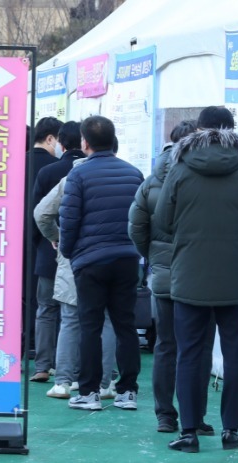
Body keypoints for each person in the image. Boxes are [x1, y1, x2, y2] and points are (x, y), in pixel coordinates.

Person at [155, 106, 238, 453]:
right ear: (233, 130)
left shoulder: (179, 170)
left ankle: (189, 431)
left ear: (198, 130)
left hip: (189, 274)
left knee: (188, 353)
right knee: (234, 354)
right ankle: (231, 431)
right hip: (235, 274)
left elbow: (163, 220)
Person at [130, 119, 215, 436]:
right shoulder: (208, 179)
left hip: (165, 276)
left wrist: (155, 258)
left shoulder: (152, 182)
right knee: (200, 347)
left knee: (166, 346)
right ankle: (197, 416)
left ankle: (165, 415)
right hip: (203, 276)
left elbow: (136, 228)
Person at [59, 115, 143, 412]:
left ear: (85, 142)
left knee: (90, 326)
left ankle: (89, 392)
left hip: (90, 261)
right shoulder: (134, 173)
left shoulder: (79, 175)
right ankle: (128, 392)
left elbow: (69, 219)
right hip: (127, 258)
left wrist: (69, 252)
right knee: (125, 325)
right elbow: (143, 218)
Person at [34, 143, 118, 401]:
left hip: (75, 256)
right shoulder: (127, 174)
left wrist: (56, 238)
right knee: (106, 320)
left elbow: (41, 213)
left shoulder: (71, 177)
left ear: (85, 145)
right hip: (113, 256)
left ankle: (62, 382)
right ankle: (104, 384)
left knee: (70, 319)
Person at [27, 116, 64, 382]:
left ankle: (41, 364)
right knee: (70, 312)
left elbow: (37, 213)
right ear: (51, 138)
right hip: (63, 248)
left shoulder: (14, 163)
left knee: (44, 308)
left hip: (36, 246)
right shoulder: (61, 169)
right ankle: (66, 366)